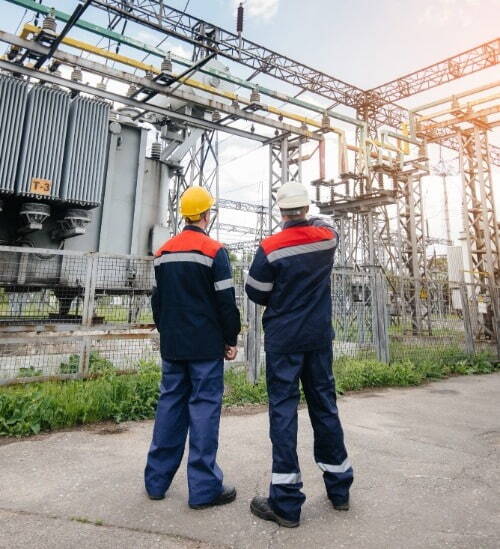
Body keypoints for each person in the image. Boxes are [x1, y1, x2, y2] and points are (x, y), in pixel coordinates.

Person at [245, 181, 353, 528]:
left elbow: (256, 291)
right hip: (318, 338)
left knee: (283, 413)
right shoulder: (327, 240)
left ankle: (287, 504)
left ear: (280, 212)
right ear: (307, 208)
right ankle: (339, 491)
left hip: (284, 341)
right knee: (324, 407)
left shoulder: (271, 247)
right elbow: (328, 222)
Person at [145, 186, 241, 509]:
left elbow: (157, 303)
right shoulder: (214, 252)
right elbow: (226, 303)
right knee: (203, 410)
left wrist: (167, 333)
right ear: (206, 215)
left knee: (169, 407)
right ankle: (203, 489)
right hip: (205, 349)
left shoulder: (163, 253)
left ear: (186, 214)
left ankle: (156, 482)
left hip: (174, 347)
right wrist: (231, 339)